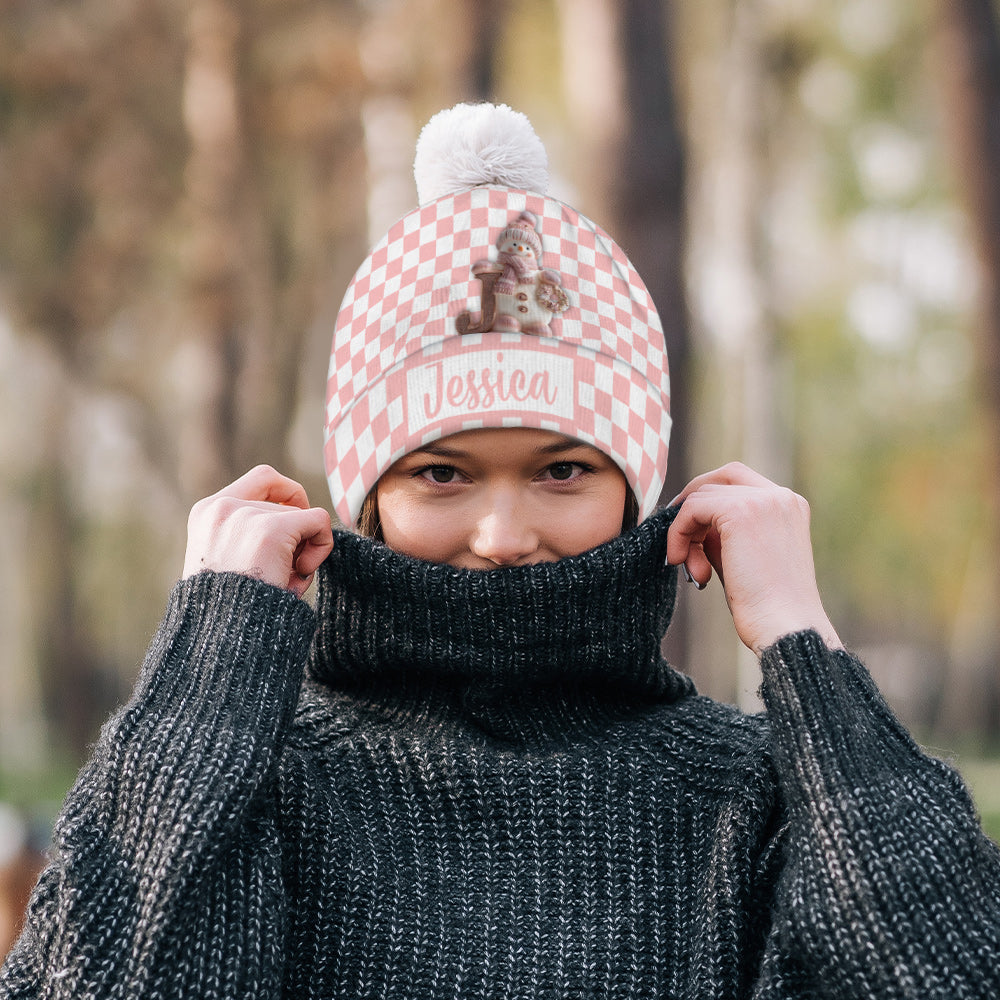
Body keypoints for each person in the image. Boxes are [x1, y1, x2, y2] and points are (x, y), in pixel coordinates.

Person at [2, 102, 998, 1000]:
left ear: (633, 487)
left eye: (562, 469)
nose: (505, 533)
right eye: (441, 473)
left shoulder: (750, 797)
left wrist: (803, 644)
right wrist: (201, 686)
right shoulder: (258, 784)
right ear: (367, 496)